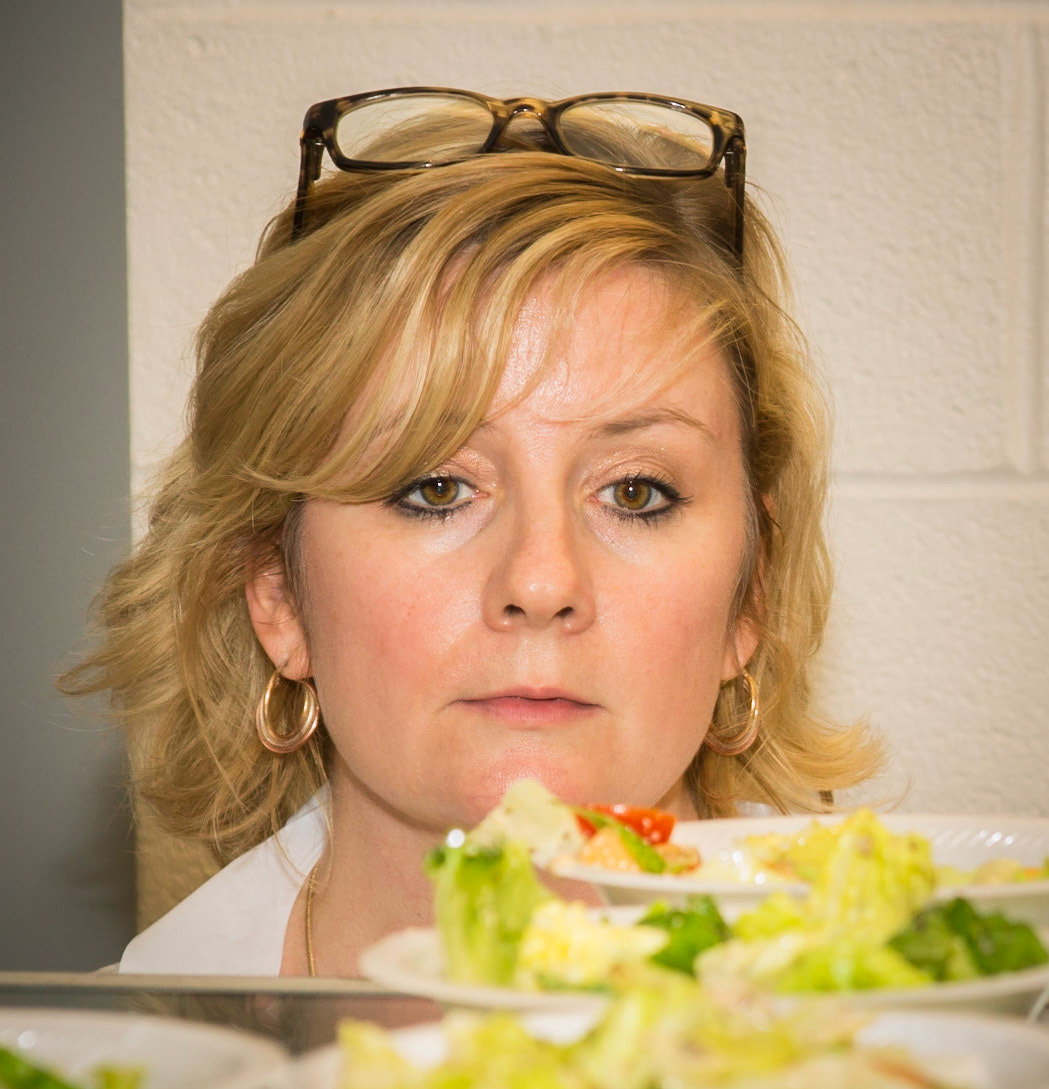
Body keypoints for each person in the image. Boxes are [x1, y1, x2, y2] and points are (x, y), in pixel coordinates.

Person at [62, 88, 883, 976]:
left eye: (636, 493)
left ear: (748, 592)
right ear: (276, 593)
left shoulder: (944, 1024)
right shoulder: (131, 1068)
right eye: (436, 486)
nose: (540, 581)